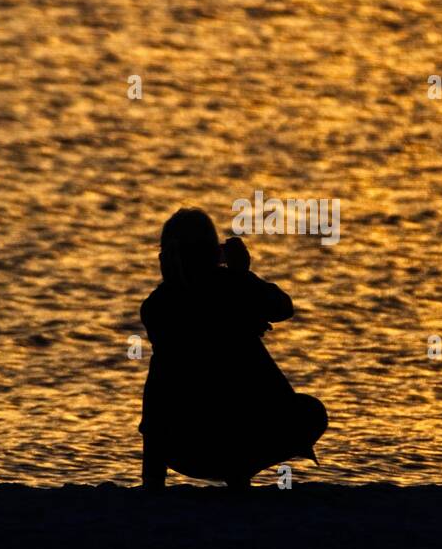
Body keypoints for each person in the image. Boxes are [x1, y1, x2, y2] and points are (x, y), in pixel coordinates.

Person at [138, 207, 327, 490]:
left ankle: (154, 480)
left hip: (179, 448)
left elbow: (281, 308)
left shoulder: (156, 305)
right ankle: (237, 474)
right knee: (311, 412)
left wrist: (240, 294)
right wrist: (242, 278)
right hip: (220, 442)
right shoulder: (230, 291)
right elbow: (280, 308)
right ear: (213, 253)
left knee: (164, 370)